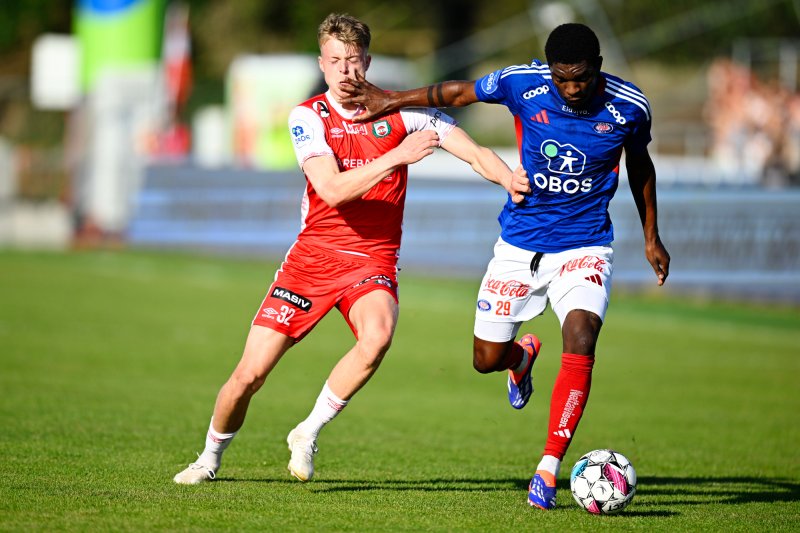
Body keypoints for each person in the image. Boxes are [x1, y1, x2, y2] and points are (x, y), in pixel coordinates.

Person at [173, 13, 530, 485]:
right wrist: (398, 156)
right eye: (336, 61)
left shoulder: (404, 110)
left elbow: (473, 150)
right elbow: (332, 189)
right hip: (313, 259)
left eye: (354, 60)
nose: (346, 72)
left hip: (372, 260)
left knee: (378, 334)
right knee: (250, 375)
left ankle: (307, 431)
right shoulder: (308, 116)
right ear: (322, 63)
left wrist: (509, 178)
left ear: (368, 61)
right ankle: (209, 459)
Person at [341, 22, 670, 509]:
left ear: (597, 67)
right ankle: (520, 358)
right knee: (485, 360)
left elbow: (640, 167)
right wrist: (389, 100)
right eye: (562, 79)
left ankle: (548, 468)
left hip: (586, 246)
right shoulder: (524, 82)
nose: (571, 88)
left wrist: (651, 237)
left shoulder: (629, 105)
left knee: (582, 337)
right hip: (519, 246)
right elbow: (457, 92)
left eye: (580, 78)